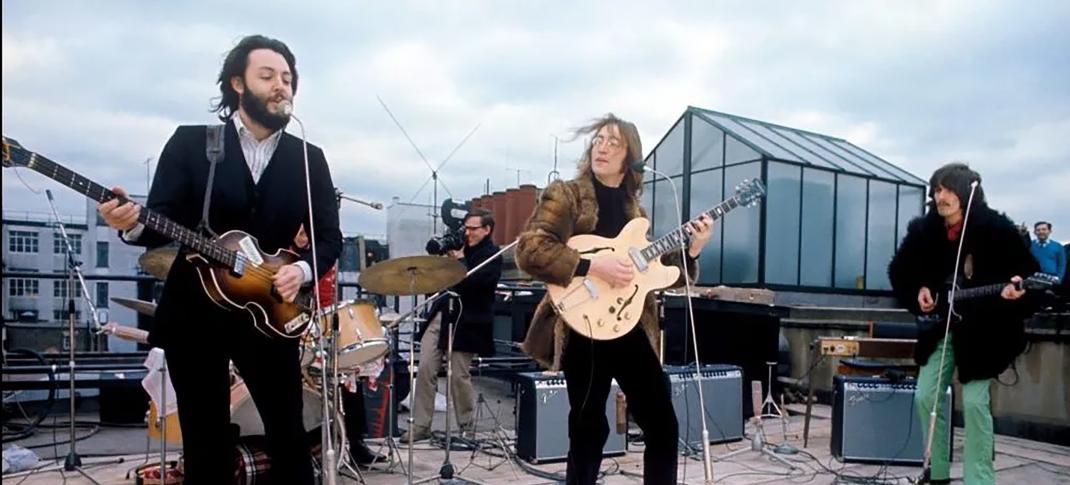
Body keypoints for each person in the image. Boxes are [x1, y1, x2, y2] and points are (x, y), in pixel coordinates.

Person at [98, 35, 341, 484]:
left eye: (287, 78)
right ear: (237, 84)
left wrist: (301, 271)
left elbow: (330, 238)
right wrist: (128, 221)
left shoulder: (308, 159)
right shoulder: (193, 144)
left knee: (289, 435)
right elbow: (160, 221)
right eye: (267, 76)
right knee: (205, 442)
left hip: (267, 310)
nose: (280, 86)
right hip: (196, 313)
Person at [515, 114, 714, 485]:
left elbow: (662, 276)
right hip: (581, 322)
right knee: (589, 429)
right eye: (599, 140)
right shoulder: (566, 195)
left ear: (630, 157)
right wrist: (592, 266)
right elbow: (531, 250)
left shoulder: (636, 214)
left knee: (662, 421)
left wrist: (694, 250)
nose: (601, 147)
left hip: (628, 323)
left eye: (614, 142)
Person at [888, 163, 1038, 485]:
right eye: (936, 190)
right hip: (941, 328)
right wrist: (920, 289)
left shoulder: (996, 228)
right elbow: (901, 271)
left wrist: (1015, 290)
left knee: (973, 403)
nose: (939, 197)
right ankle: (938, 472)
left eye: (946, 189)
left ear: (966, 192)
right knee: (925, 396)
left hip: (984, 333)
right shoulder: (923, 231)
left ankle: (979, 479)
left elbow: (1026, 272)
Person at [400, 208, 502, 443]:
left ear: (487, 230)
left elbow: (477, 283)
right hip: (443, 312)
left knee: (458, 375)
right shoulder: (458, 246)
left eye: (473, 229)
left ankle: (466, 426)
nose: (467, 233)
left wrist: (460, 260)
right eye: (465, 228)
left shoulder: (492, 254)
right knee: (425, 368)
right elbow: (439, 279)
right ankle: (421, 425)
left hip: (469, 319)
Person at [292, 225, 384, 466]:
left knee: (349, 374)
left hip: (322, 322)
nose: (304, 237)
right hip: (292, 323)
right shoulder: (286, 256)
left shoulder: (323, 252)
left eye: (307, 233)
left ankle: (355, 443)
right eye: (300, 233)